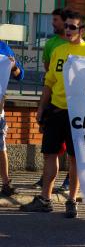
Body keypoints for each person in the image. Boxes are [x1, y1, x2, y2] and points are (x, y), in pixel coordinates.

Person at [20, 11, 85, 218]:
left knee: (75, 159)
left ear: (82, 30)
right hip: (56, 110)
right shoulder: (58, 50)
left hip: (78, 114)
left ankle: (72, 200)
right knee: (50, 154)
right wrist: (40, 108)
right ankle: (45, 199)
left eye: (72, 27)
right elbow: (49, 82)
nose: (67, 30)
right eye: (66, 26)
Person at [33, 7, 70, 192]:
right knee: (51, 148)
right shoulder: (51, 45)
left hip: (75, 107)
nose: (52, 23)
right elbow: (49, 73)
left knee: (74, 152)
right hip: (54, 104)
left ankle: (69, 182)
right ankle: (46, 184)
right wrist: (43, 106)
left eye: (55, 20)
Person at [0, 41, 24, 196]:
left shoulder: (3, 48)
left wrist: (13, 66)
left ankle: (6, 183)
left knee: (1, 147)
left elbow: (20, 75)